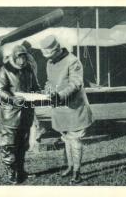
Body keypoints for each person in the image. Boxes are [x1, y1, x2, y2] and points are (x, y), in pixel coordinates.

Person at [39, 35, 94, 184]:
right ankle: (70, 167)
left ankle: (77, 172)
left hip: (75, 108)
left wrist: (60, 95)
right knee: (67, 139)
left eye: (50, 54)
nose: (49, 58)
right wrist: (47, 90)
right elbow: (50, 81)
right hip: (60, 108)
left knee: (75, 139)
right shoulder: (50, 62)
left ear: (57, 50)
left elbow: (76, 84)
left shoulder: (73, 61)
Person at [0, 45, 40, 184]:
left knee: (22, 145)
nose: (22, 60)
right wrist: (12, 98)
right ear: (14, 57)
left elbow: (35, 87)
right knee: (8, 145)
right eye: (19, 57)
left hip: (26, 114)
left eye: (24, 57)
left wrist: (39, 94)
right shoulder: (5, 70)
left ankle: (21, 171)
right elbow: (0, 90)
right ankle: (11, 173)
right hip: (11, 115)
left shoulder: (29, 69)